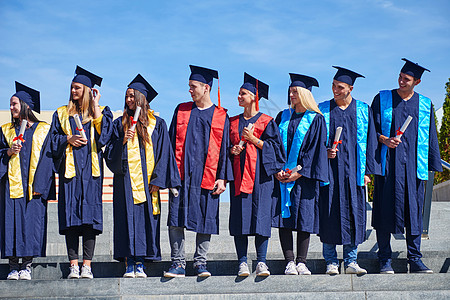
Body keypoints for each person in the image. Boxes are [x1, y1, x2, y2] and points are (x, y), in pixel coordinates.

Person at [105, 74, 181, 278]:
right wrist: (122, 140)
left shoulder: (158, 124)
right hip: (126, 183)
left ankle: (141, 263)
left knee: (146, 221)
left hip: (149, 185)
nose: (129, 100)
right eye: (127, 96)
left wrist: (158, 180)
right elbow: (109, 152)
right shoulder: (119, 124)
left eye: (132, 96)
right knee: (126, 220)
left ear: (141, 99)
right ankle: (129, 263)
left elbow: (165, 153)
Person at [371, 58, 442, 274]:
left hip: (413, 168)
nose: (402, 81)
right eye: (400, 77)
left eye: (407, 79)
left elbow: (430, 136)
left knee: (413, 213)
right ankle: (384, 259)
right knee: (384, 212)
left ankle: (415, 258)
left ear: (417, 82)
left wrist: (432, 163)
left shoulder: (424, 104)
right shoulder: (382, 99)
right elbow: (369, 131)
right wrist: (384, 139)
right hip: (388, 166)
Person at [164, 65, 233, 278]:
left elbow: (224, 151)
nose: (190, 90)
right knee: (176, 218)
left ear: (206, 88)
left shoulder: (221, 116)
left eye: (193, 86)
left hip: (208, 176)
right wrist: (169, 175)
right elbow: (169, 143)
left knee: (206, 217)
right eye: (189, 87)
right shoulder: (181, 110)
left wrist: (222, 178)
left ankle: (200, 263)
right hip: (182, 175)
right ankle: (178, 263)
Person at [50, 66, 113, 279]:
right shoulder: (61, 113)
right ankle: (73, 266)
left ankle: (87, 265)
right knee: (70, 221)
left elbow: (105, 138)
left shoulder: (102, 111)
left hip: (91, 175)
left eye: (77, 88)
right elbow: (51, 141)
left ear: (87, 90)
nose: (73, 91)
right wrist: (67, 139)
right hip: (70, 175)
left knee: (89, 221)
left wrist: (95, 108)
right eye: (72, 87)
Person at [318, 66, 380, 275]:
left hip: (354, 172)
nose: (335, 90)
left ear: (350, 88)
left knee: (355, 214)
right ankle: (331, 261)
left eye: (340, 87)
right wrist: (325, 152)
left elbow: (371, 142)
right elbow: (315, 142)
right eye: (333, 86)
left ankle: (351, 261)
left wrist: (367, 171)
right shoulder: (322, 110)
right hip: (330, 173)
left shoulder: (363, 110)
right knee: (329, 214)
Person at [229, 73, 285, 277]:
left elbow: (277, 151)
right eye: (238, 93)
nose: (239, 96)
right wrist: (232, 150)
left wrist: (254, 139)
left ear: (254, 97)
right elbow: (225, 148)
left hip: (262, 179)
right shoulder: (232, 121)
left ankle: (261, 262)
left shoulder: (267, 121)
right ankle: (242, 262)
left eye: (243, 93)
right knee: (239, 220)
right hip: (239, 177)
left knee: (261, 219)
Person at [272, 73, 328, 275]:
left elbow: (316, 151)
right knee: (283, 218)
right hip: (282, 178)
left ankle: (301, 261)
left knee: (304, 216)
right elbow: (274, 145)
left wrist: (300, 173)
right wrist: (277, 169)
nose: (291, 93)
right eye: (290, 90)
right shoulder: (282, 117)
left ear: (304, 94)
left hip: (304, 179)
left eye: (295, 91)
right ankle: (289, 261)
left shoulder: (316, 119)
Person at [0, 82, 55, 280]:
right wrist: (8, 151)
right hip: (11, 187)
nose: (11, 107)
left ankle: (27, 266)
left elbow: (49, 158)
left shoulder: (43, 130)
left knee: (31, 225)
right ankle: (14, 266)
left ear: (26, 105)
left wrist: (41, 185)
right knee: (11, 224)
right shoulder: (5, 130)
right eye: (10, 104)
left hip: (34, 186)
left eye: (14, 104)